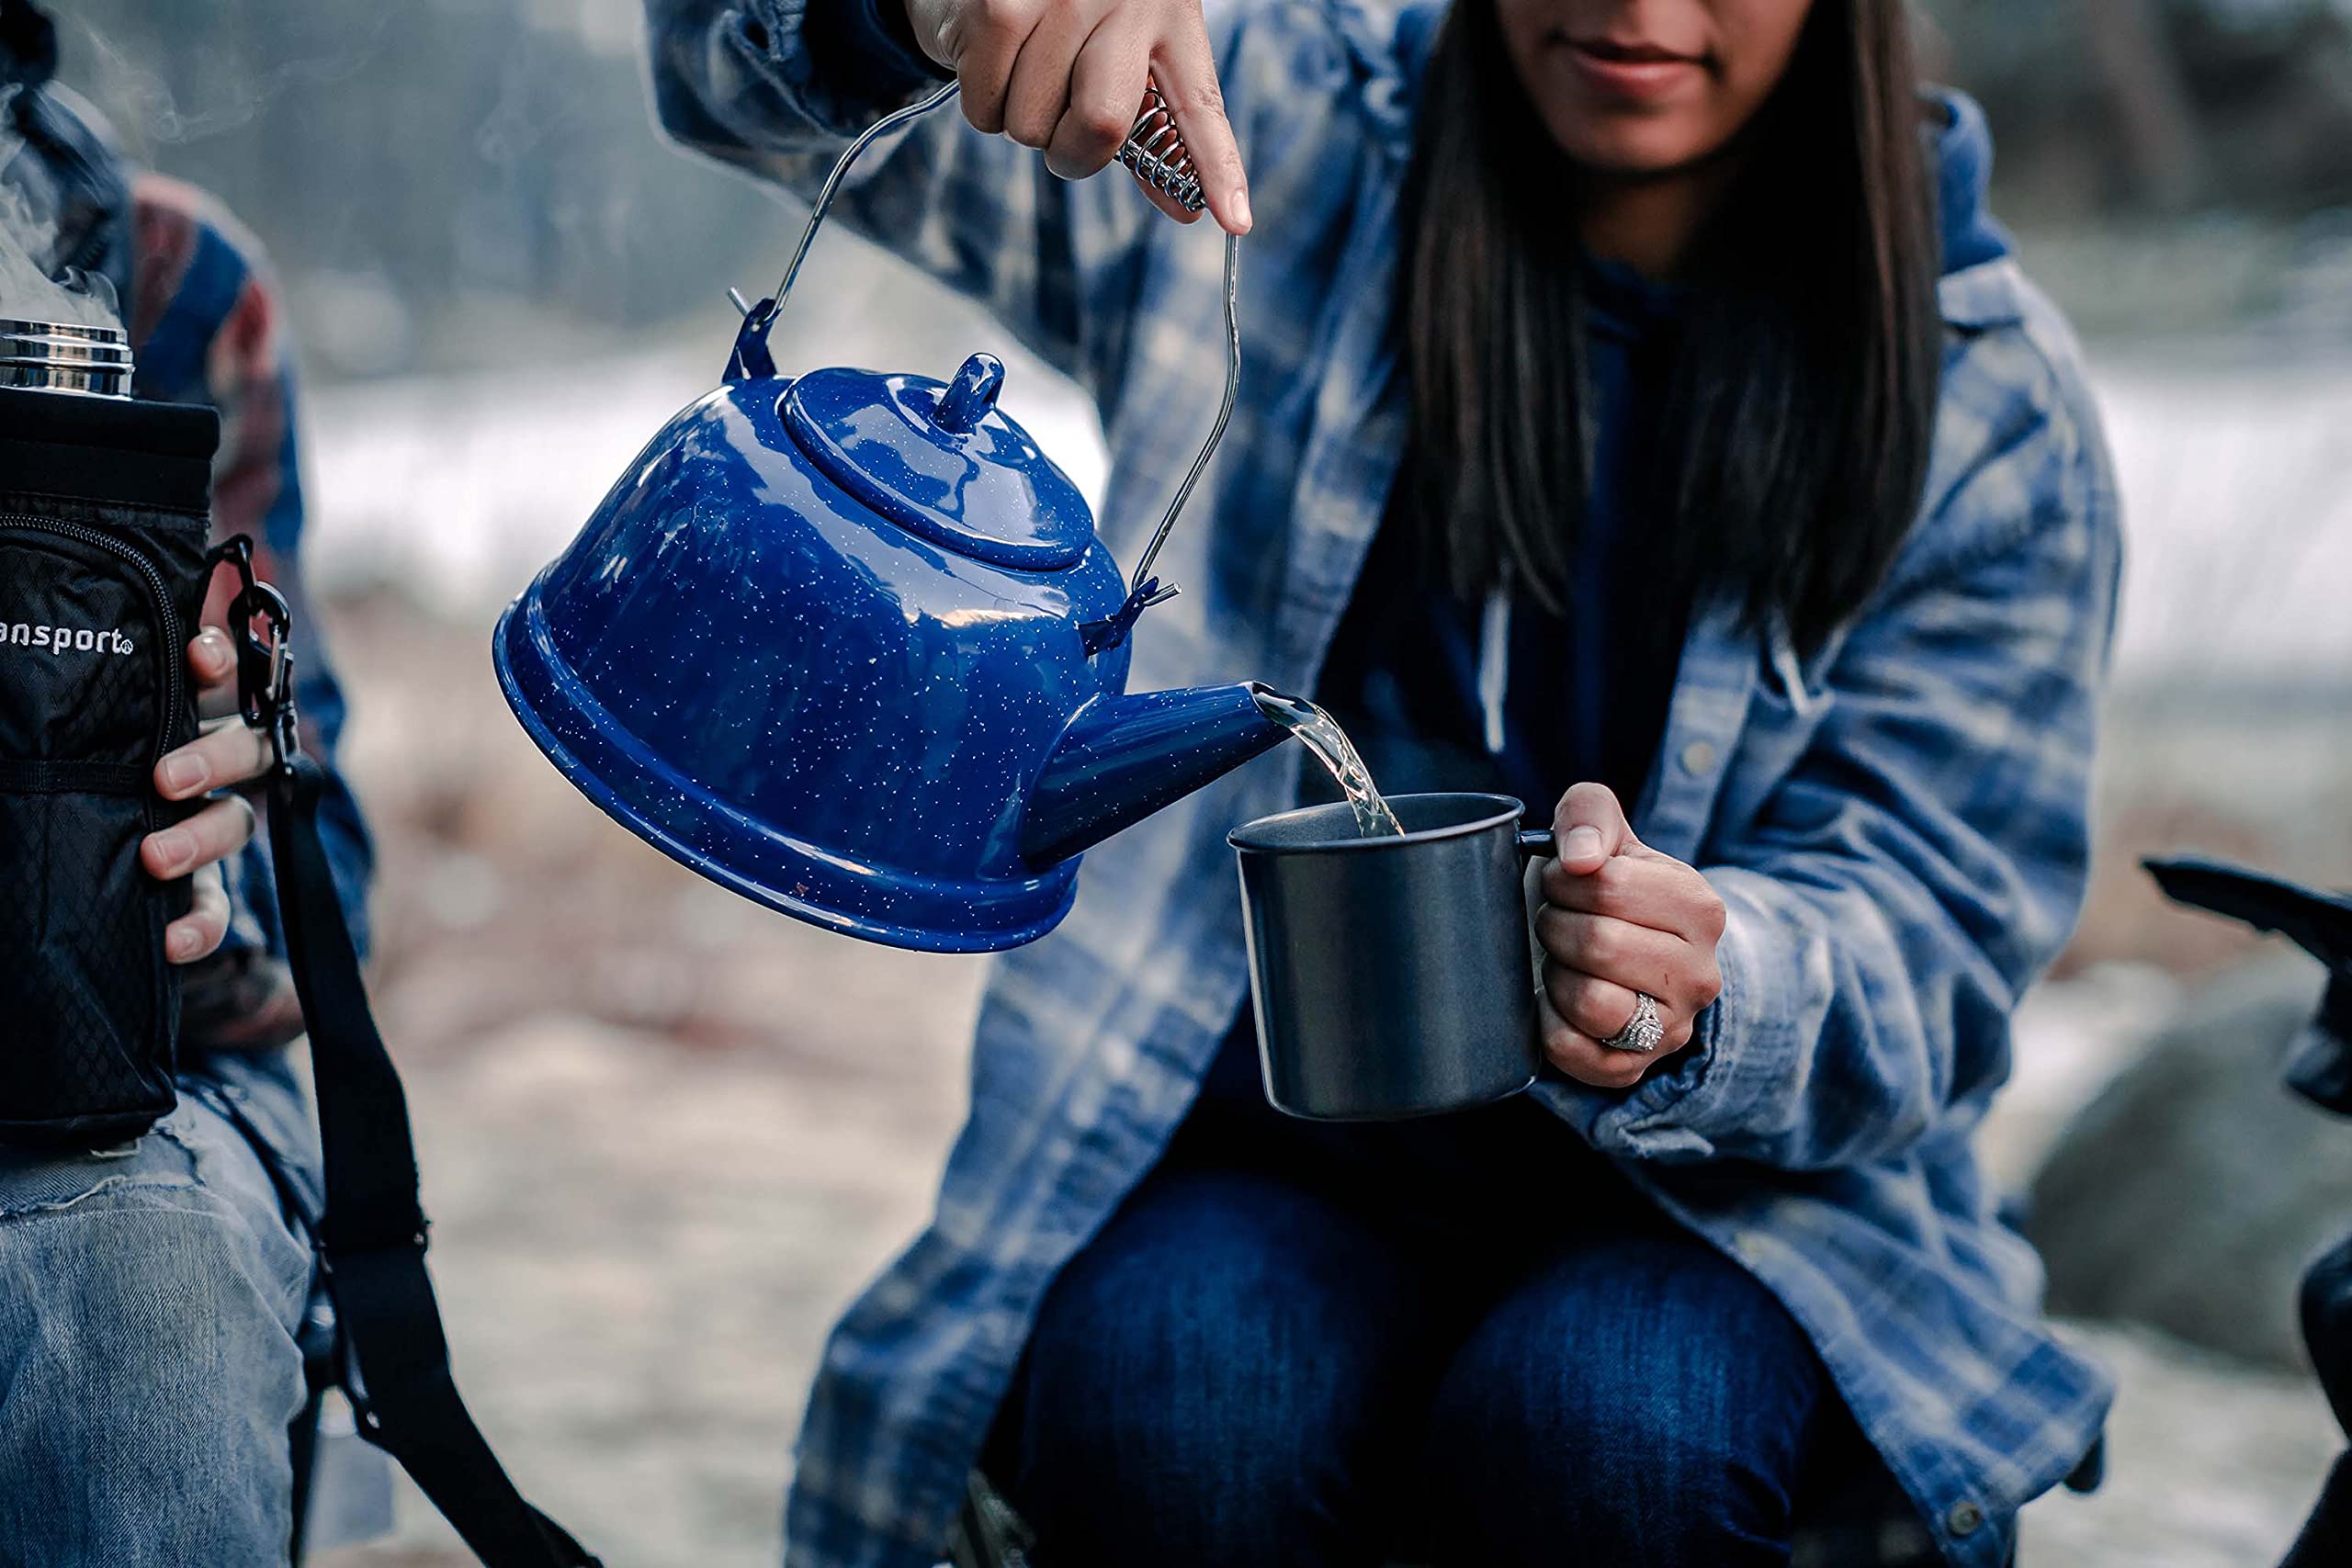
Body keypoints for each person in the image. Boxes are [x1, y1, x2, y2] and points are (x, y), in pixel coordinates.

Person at [646, 1, 2120, 1563]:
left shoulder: (1986, 404)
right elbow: (728, 86)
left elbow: (1943, 935)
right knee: (1173, 1407)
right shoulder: (1273, 140)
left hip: (1739, 1202)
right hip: (1265, 1141)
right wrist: (921, 14)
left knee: (1612, 1428)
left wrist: (1715, 984)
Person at [0, 2, 373, 1560]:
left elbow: (330, 874)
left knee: (136, 1288)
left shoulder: (163, 279)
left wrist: (212, 869)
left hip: (86, 1107)